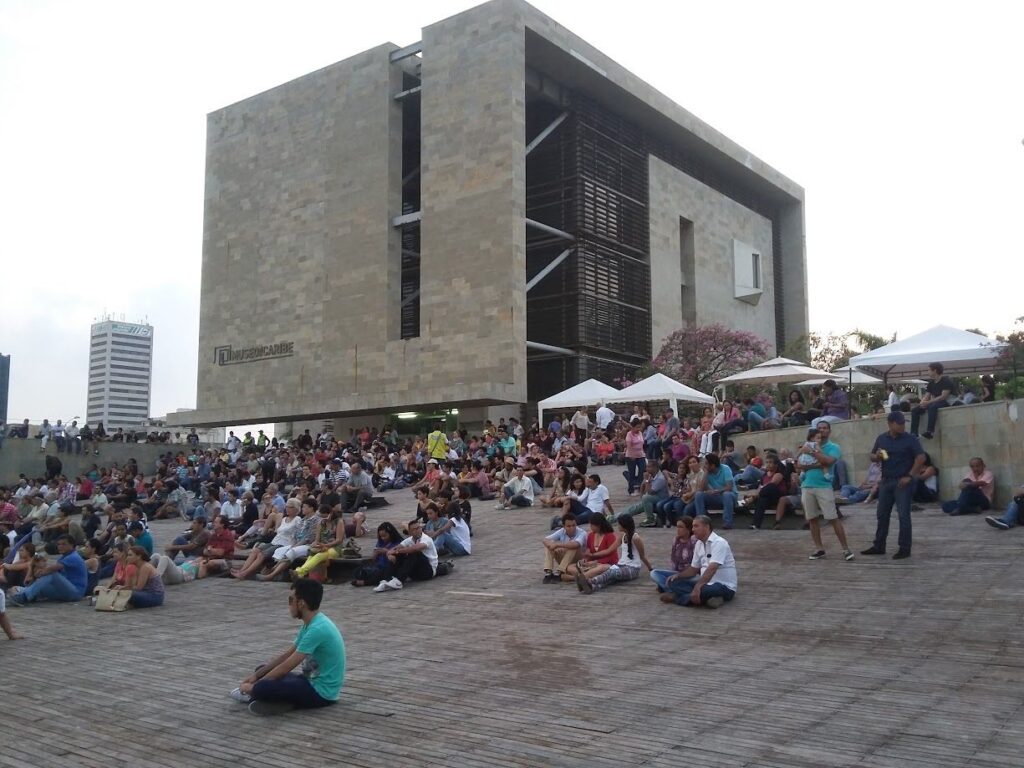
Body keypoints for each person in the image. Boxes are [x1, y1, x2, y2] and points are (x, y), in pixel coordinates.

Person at [231, 578, 345, 716]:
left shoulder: (318, 629)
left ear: (301, 604)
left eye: (291, 600)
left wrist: (255, 686)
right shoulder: (310, 624)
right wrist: (257, 676)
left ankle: (270, 698)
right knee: (261, 669)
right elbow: (286, 656)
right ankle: (282, 701)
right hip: (308, 680)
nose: (289, 605)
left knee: (263, 687)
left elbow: (288, 665)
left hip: (321, 693)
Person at [862, 411, 926, 559]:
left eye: (904, 423)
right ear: (890, 424)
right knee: (882, 514)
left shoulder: (910, 439)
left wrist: (910, 475)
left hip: (902, 480)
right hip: (886, 480)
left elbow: (921, 457)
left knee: (903, 515)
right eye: (900, 423)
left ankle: (904, 548)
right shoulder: (882, 439)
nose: (903, 426)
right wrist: (876, 456)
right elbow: (872, 456)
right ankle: (879, 545)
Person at [798, 422, 854, 561]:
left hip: (824, 486)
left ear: (829, 431)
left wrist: (811, 452)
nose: (822, 431)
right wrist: (816, 462)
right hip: (807, 486)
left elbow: (828, 461)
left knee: (833, 518)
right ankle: (819, 548)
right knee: (812, 519)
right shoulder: (807, 444)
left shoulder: (833, 447)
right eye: (820, 428)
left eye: (825, 428)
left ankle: (845, 549)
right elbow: (799, 465)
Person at [659, 515, 737, 608]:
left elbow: (712, 568)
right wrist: (678, 576)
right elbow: (693, 569)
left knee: (706, 590)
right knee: (673, 582)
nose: (693, 529)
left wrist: (698, 586)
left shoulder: (719, 543)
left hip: (723, 586)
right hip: (705, 583)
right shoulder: (699, 544)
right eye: (692, 526)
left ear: (707, 527)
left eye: (696, 526)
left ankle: (677, 598)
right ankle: (709, 599)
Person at [575, 515, 652, 594]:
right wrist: (593, 555)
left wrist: (651, 569)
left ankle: (590, 581)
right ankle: (592, 587)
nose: (618, 526)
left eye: (619, 524)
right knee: (610, 576)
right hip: (621, 565)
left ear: (624, 525)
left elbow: (642, 556)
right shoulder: (622, 536)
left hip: (632, 569)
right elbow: (608, 550)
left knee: (612, 573)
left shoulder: (636, 538)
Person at [9, 535, 88, 606]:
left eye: (64, 544)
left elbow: (53, 569)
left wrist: (39, 573)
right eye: (59, 544)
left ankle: (24, 597)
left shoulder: (73, 557)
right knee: (38, 586)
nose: (60, 546)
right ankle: (24, 595)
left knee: (51, 574)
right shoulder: (63, 557)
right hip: (65, 590)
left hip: (75, 592)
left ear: (72, 545)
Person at [373, 519, 440, 592]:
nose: (417, 530)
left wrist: (396, 552)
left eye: (418, 528)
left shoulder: (426, 539)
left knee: (414, 552)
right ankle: (386, 580)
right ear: (410, 532)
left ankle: (399, 581)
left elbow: (415, 548)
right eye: (414, 529)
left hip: (428, 571)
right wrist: (390, 554)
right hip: (415, 573)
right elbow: (395, 548)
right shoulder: (409, 540)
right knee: (399, 554)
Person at [690, 453, 738, 529]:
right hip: (716, 497)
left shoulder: (725, 469)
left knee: (727, 494)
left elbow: (729, 487)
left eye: (706, 463)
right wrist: (705, 473)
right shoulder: (707, 472)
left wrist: (716, 491)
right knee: (699, 494)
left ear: (712, 465)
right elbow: (701, 488)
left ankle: (727, 523)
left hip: (730, 497)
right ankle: (702, 522)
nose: (704, 465)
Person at [650, 515, 696, 592]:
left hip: (690, 574)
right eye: (677, 527)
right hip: (677, 572)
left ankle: (670, 588)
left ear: (688, 529)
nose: (678, 529)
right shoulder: (676, 540)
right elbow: (673, 560)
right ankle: (671, 589)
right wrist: (673, 576)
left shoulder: (694, 541)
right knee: (654, 573)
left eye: (681, 527)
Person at [911, 362, 955, 439]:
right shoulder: (931, 383)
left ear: (934, 370)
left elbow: (943, 396)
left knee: (932, 406)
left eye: (928, 370)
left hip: (946, 402)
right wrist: (922, 403)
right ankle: (914, 433)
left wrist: (928, 402)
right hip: (934, 402)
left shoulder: (946, 381)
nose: (927, 372)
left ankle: (930, 432)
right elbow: (927, 396)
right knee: (915, 410)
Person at [541, 513, 587, 583]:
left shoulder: (582, 533)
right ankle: (548, 572)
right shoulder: (561, 531)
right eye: (569, 526)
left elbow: (576, 544)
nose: (572, 528)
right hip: (565, 558)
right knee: (549, 547)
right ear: (564, 526)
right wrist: (552, 546)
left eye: (574, 525)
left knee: (573, 546)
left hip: (577, 559)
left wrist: (558, 545)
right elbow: (545, 539)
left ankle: (560, 571)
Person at [622, 419, 646, 496]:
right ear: (633, 427)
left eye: (640, 427)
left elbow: (642, 444)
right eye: (637, 427)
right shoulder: (629, 434)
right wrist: (632, 455)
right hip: (631, 455)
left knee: (642, 470)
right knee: (632, 472)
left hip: (640, 454)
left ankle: (640, 486)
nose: (638, 429)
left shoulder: (640, 433)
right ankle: (631, 489)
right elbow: (629, 445)